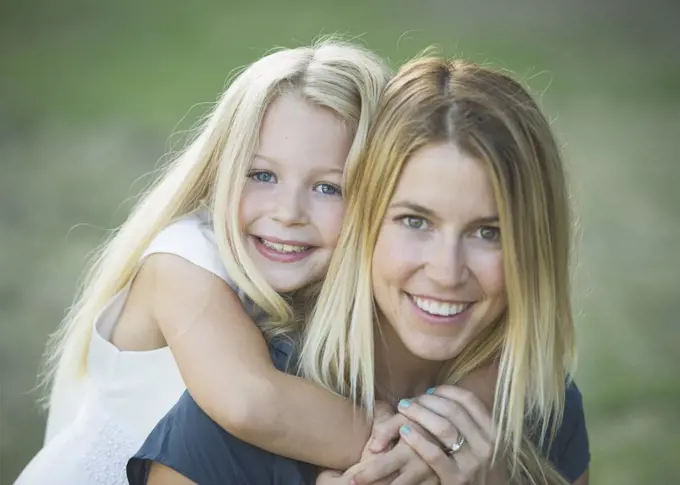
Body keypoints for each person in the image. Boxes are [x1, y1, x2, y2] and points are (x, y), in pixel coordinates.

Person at [128, 55, 589, 485]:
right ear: (362, 220)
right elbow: (249, 402)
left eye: (489, 232)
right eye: (415, 221)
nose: (448, 272)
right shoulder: (241, 413)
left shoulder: (542, 405)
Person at [14, 39, 392, 485]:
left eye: (330, 187)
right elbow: (253, 403)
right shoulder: (184, 258)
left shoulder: (349, 290)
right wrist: (408, 443)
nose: (288, 212)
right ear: (222, 170)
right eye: (262, 175)